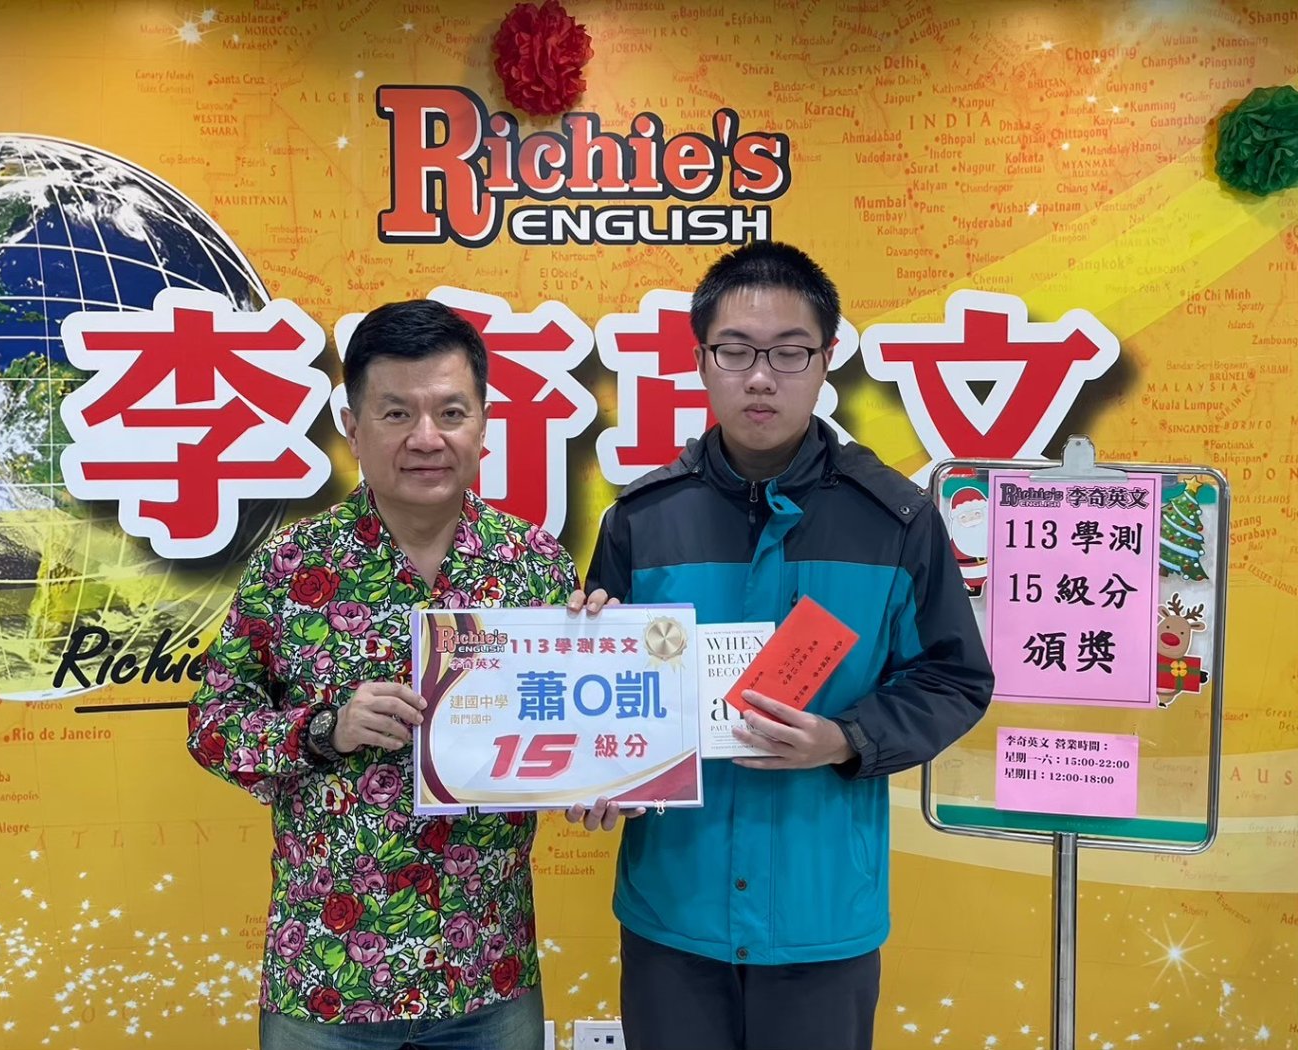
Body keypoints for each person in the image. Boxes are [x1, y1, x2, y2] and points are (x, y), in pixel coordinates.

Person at [566, 241, 994, 1050]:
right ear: (701, 360)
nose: (760, 377)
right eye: (735, 351)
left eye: (789, 352)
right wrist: (599, 768)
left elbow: (953, 678)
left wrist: (846, 737)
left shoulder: (894, 521)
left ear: (826, 359)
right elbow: (611, 698)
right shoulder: (643, 521)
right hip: (673, 907)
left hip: (821, 914)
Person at [187, 299, 577, 1050]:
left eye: (451, 413)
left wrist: (607, 760)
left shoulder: (534, 567)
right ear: (352, 426)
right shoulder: (291, 566)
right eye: (397, 413)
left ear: (484, 425)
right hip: (325, 981)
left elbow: (572, 729)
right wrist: (324, 730)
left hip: (486, 972)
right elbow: (212, 727)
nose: (427, 438)